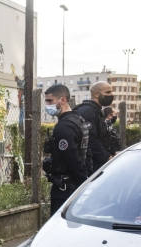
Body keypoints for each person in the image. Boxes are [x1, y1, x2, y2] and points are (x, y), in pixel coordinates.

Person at [43, 85, 89, 215]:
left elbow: (72, 158)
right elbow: (87, 152)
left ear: (62, 100)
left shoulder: (64, 127)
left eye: (50, 101)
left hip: (66, 188)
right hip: (74, 185)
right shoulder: (78, 120)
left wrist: (81, 183)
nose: (47, 105)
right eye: (46, 101)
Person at [73, 81, 114, 172]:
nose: (111, 95)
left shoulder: (97, 110)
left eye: (111, 92)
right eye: (107, 92)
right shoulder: (87, 111)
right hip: (90, 165)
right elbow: (90, 139)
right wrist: (107, 157)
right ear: (96, 94)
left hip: (96, 163)